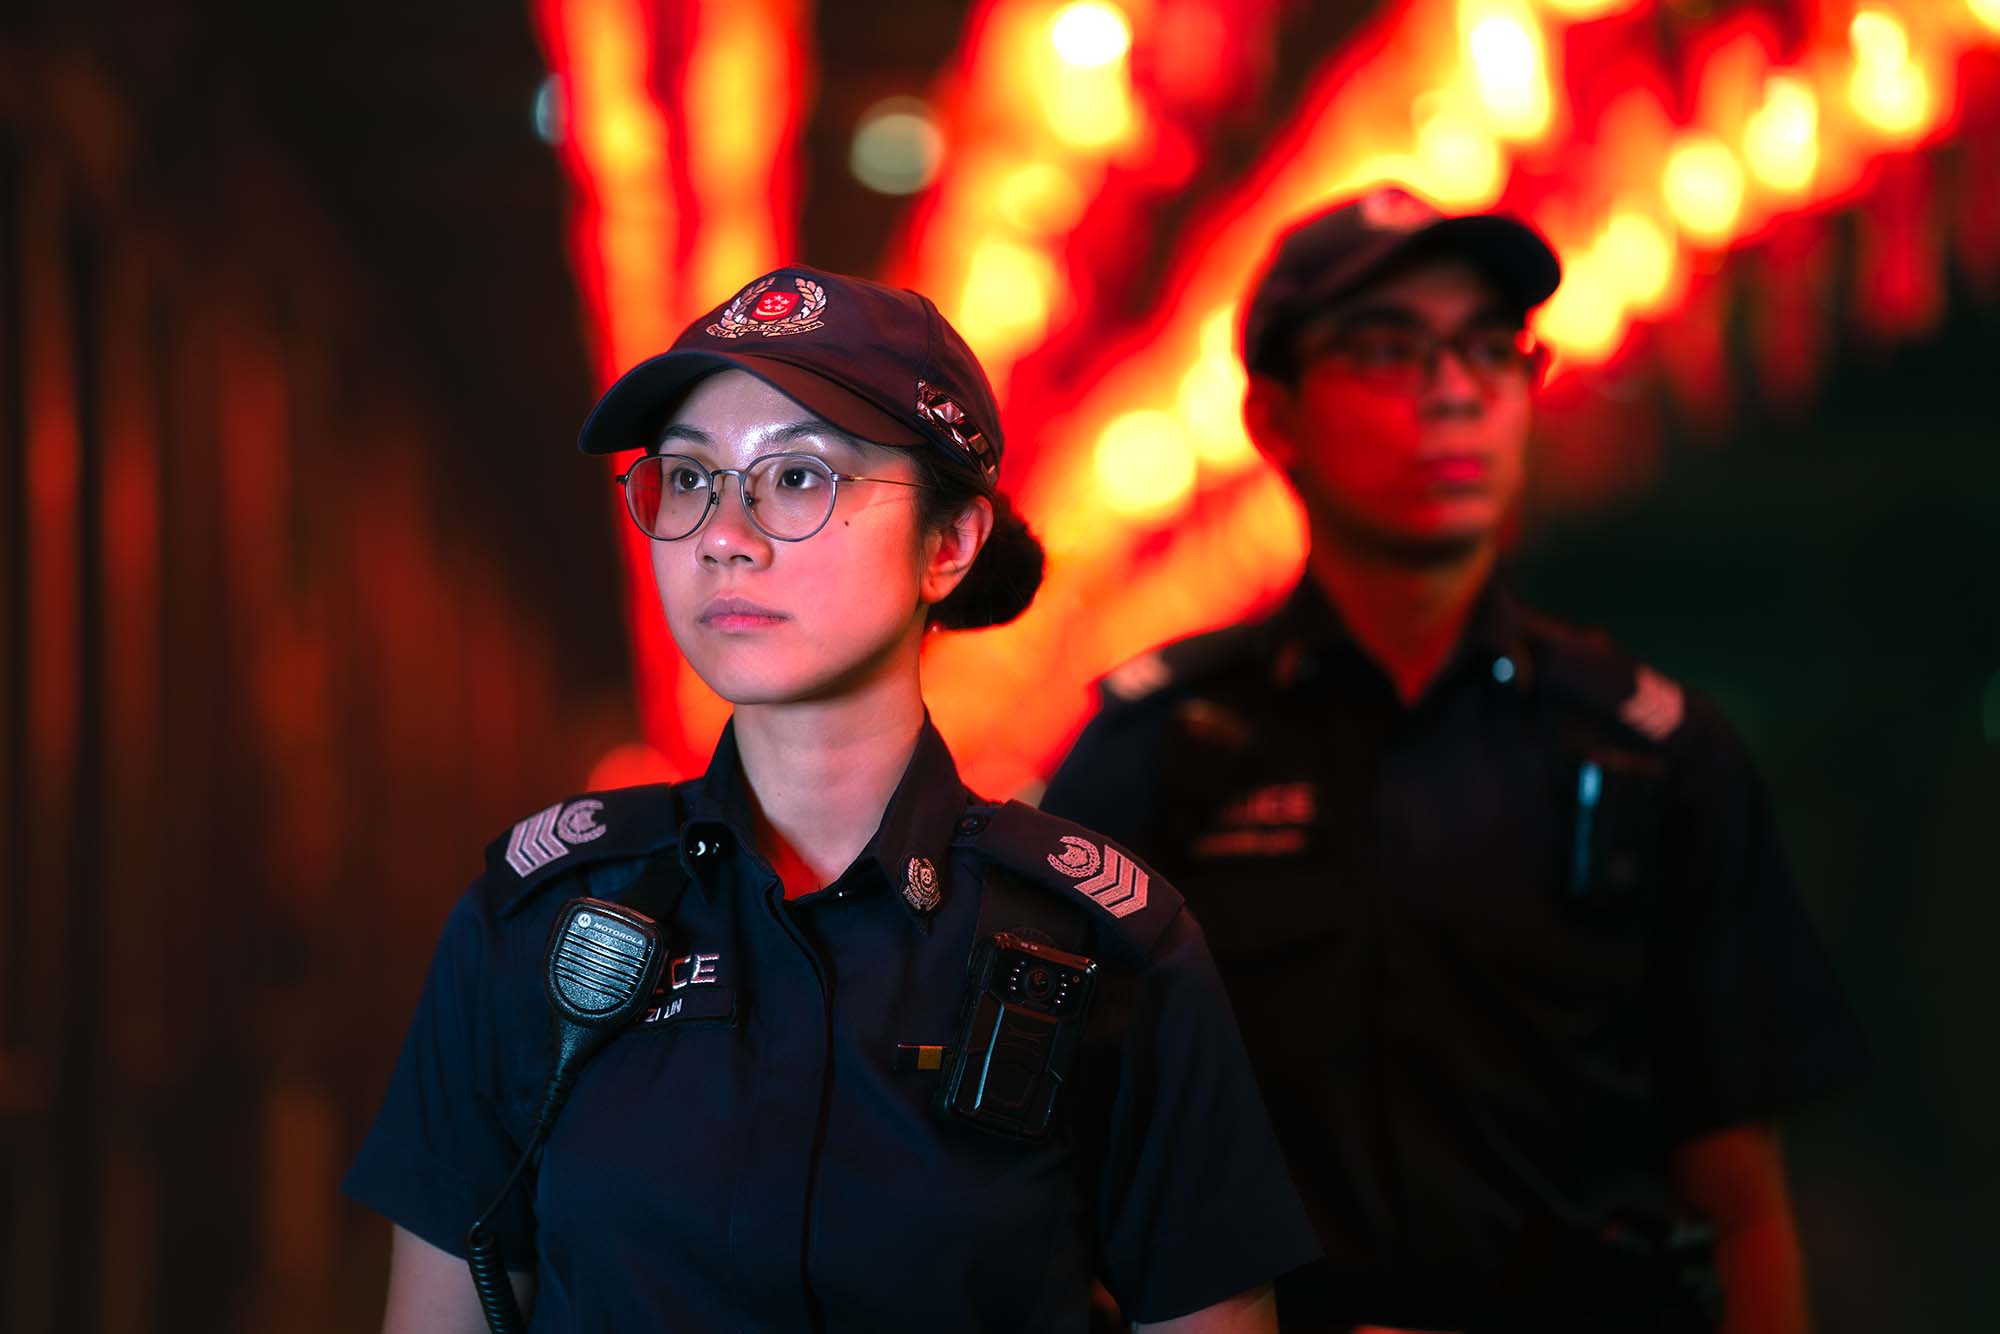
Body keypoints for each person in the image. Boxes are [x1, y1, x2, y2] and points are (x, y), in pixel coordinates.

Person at [342, 265, 1320, 1333]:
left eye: (799, 478)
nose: (723, 532)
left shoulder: (1103, 943)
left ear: (947, 546)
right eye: (686, 476)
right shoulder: (535, 924)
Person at [1041, 188, 1867, 1334]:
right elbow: (1051, 1188)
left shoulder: (1646, 751)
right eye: (1387, 350)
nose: (1453, 389)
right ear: (1271, 415)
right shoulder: (1158, 749)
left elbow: (1739, 1202)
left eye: (1489, 349)